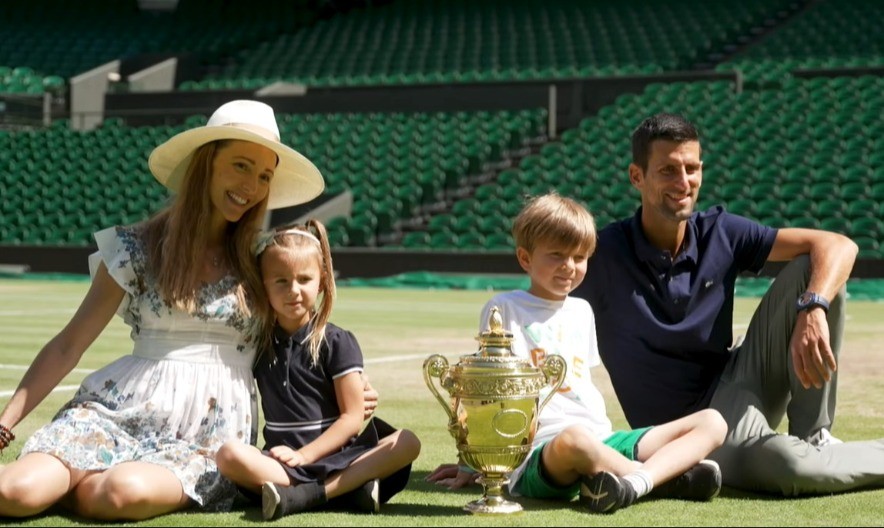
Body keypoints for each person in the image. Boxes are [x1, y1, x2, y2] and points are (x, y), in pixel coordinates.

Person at [0, 100, 378, 521]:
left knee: (118, 495)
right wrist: (4, 425)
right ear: (206, 164)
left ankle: (80, 487)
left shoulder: (261, 259)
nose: (252, 185)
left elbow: (301, 326)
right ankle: (68, 481)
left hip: (207, 434)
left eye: (264, 176)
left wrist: (348, 382)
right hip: (115, 409)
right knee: (14, 492)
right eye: (240, 165)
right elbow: (68, 345)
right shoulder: (134, 248)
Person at [572, 112, 884, 496]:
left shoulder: (720, 231)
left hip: (739, 380)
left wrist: (813, 307)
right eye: (668, 170)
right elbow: (545, 311)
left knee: (814, 269)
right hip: (686, 435)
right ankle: (813, 456)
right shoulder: (603, 255)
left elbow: (839, 245)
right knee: (790, 465)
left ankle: (814, 435)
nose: (683, 182)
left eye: (691, 169)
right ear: (637, 176)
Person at [430, 193, 727, 513]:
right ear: (525, 258)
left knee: (713, 422)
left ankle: (631, 481)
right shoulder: (504, 308)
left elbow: (581, 383)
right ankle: (661, 478)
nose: (569, 266)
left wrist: (604, 443)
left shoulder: (582, 310)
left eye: (580, 257)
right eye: (556, 255)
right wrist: (472, 463)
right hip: (542, 450)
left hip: (602, 439)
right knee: (575, 440)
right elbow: (487, 392)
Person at [215, 220, 420, 520]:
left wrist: (305, 455)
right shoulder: (255, 342)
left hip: (340, 459)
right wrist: (294, 458)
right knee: (229, 456)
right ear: (263, 284)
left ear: (322, 282)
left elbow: (352, 418)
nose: (293, 290)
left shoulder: (337, 341)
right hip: (282, 463)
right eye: (281, 281)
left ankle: (308, 495)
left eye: (304, 279)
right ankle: (348, 490)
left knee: (408, 442)